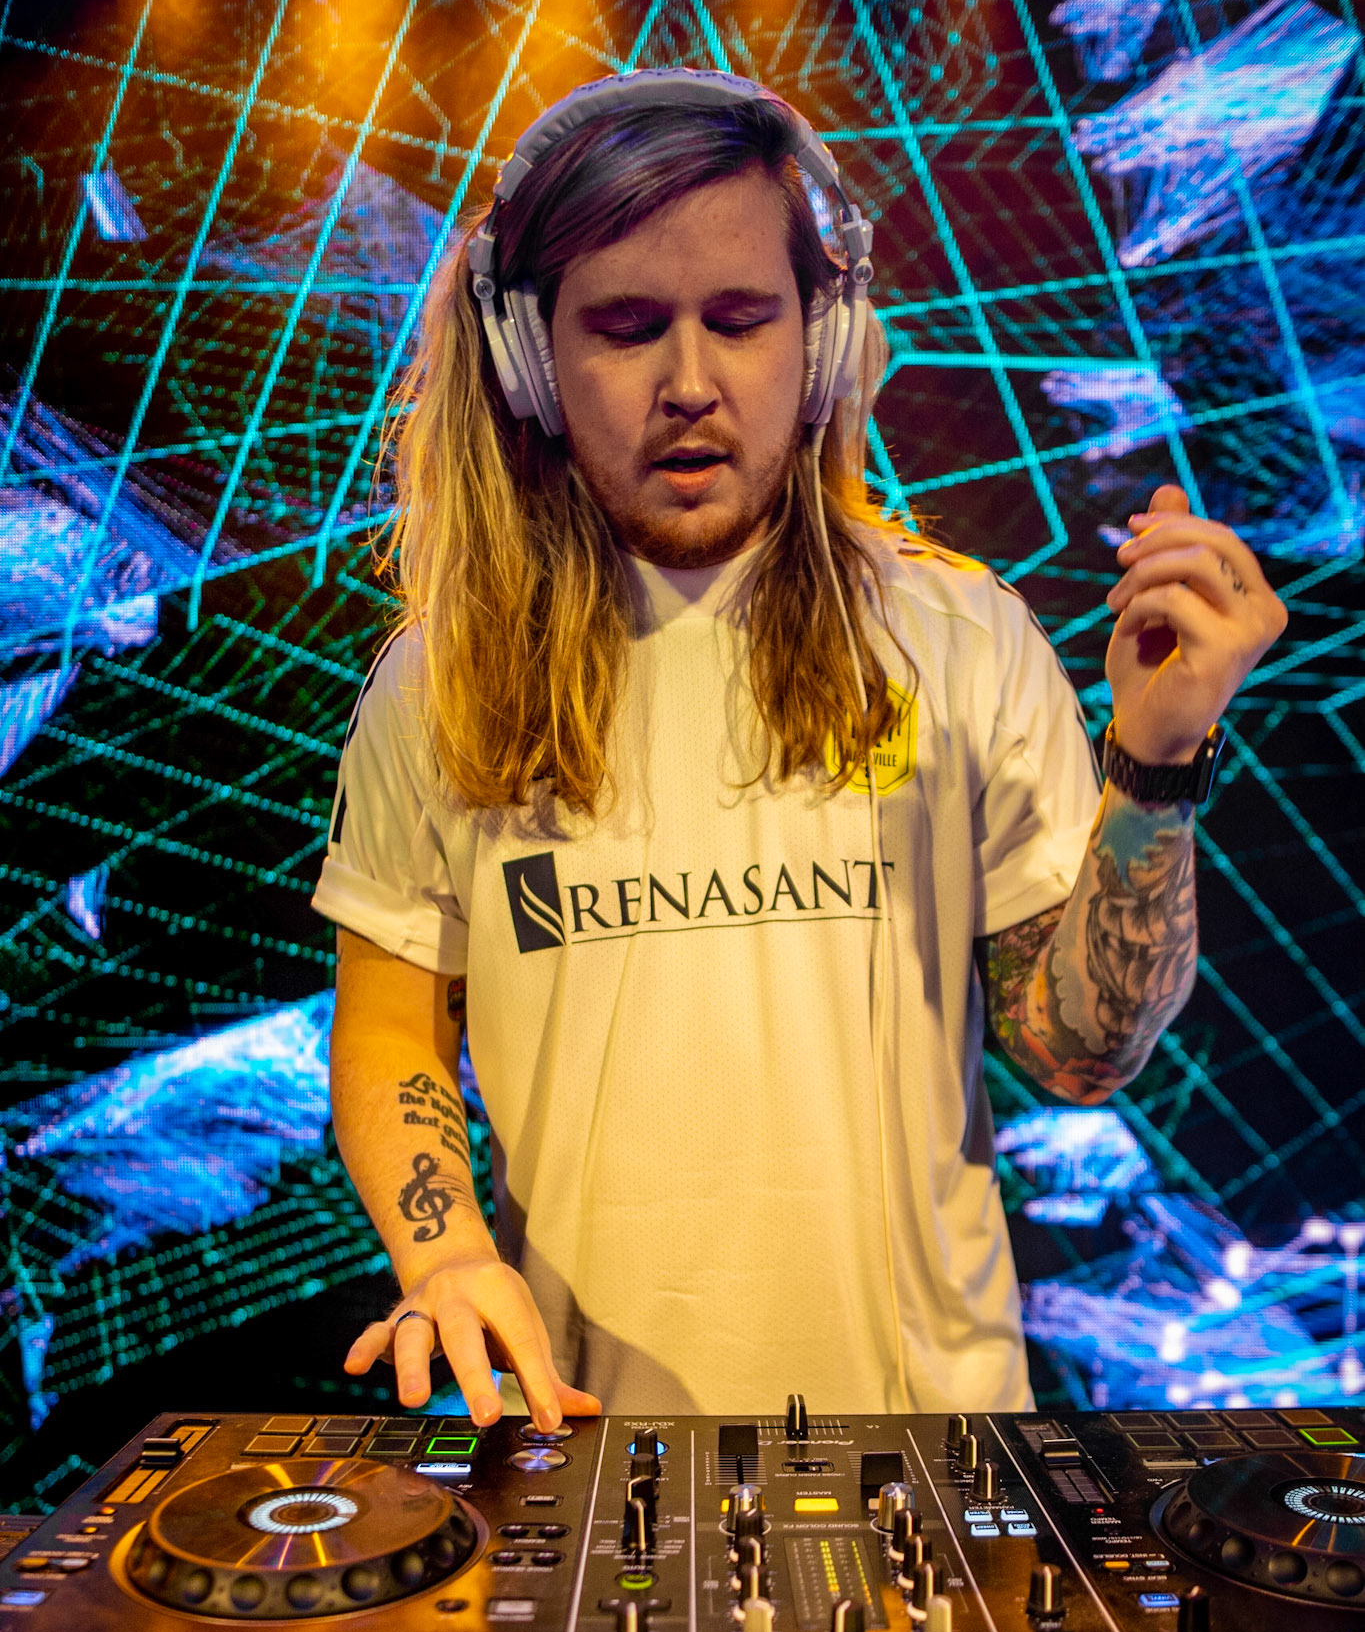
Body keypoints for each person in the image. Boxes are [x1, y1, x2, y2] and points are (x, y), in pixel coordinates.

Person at [312, 71, 1284, 1434]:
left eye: (740, 320)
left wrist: (1157, 767)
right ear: (530, 359)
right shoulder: (438, 684)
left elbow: (1078, 1055)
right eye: (627, 328)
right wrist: (446, 1255)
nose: (689, 384)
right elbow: (389, 1027)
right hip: (587, 1445)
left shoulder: (963, 641)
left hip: (932, 1452)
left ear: (822, 343)